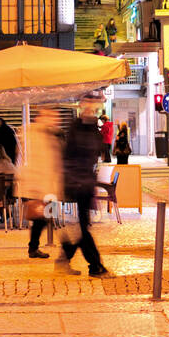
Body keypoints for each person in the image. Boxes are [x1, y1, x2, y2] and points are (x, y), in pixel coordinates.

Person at [60, 95, 109, 277]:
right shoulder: (76, 128)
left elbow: (96, 153)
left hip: (86, 183)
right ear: (81, 106)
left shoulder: (93, 128)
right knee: (83, 227)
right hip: (78, 183)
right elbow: (70, 156)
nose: (90, 107)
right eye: (87, 104)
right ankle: (95, 266)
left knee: (83, 227)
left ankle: (65, 256)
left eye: (93, 105)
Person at [17, 106, 62, 261]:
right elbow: (37, 163)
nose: (54, 119)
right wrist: (37, 189)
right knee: (43, 218)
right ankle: (36, 248)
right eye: (50, 115)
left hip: (47, 185)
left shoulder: (49, 134)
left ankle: (34, 248)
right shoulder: (34, 134)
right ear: (40, 117)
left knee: (45, 218)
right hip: (38, 186)